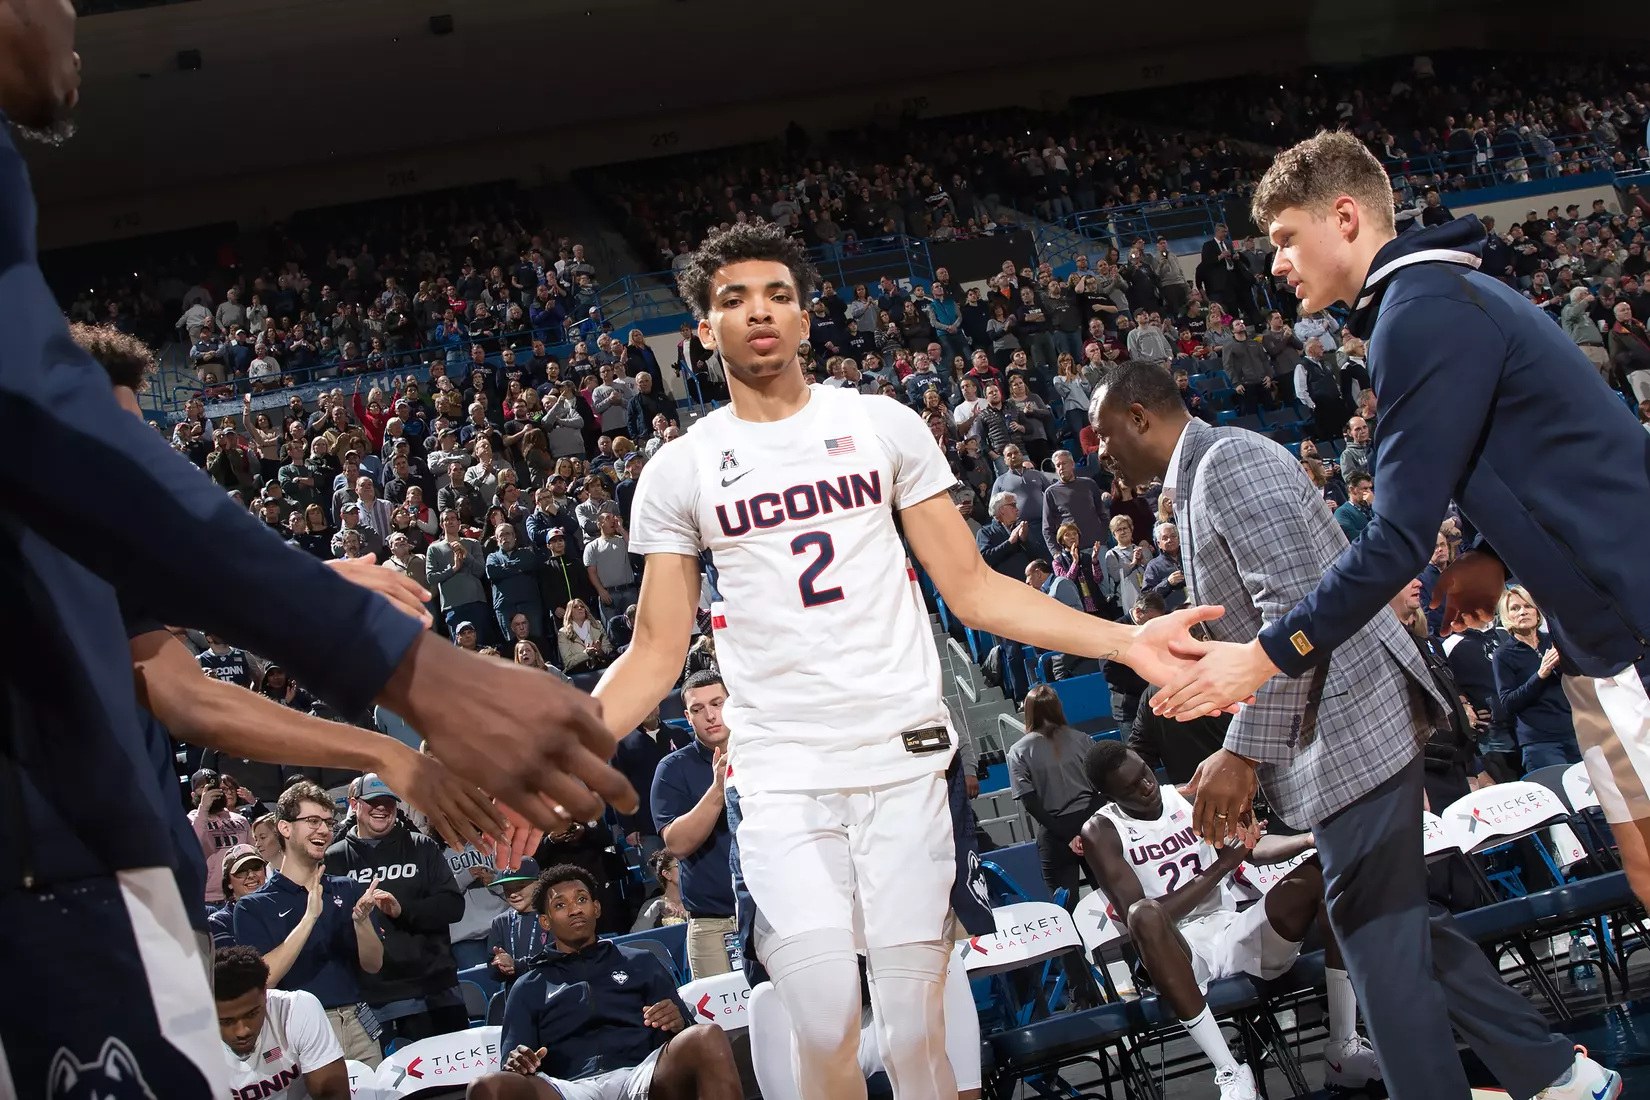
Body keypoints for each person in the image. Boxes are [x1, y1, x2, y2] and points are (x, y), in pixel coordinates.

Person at [595, 223, 1219, 1100]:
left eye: (776, 294)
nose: (758, 313)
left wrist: (1124, 638)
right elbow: (657, 649)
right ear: (703, 331)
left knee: (918, 1025)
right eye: (732, 301)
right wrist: (557, 748)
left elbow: (971, 588)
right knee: (819, 1014)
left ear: (807, 317)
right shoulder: (680, 469)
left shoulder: (878, 423)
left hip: (904, 761)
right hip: (782, 772)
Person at [1159, 129, 1650, 969]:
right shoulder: (1433, 299)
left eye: (1284, 238)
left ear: (1343, 217)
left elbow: (1393, 543)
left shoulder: (1421, 313)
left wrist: (1265, 659)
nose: (1275, 263)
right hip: (1599, 629)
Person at [1087, 359, 1612, 1100]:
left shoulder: (1228, 463)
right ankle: (1558, 1072)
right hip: (1341, 728)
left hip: (1350, 724)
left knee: (1377, 945)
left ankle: (1540, 1074)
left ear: (1140, 416)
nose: (1099, 452)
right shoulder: (1208, 472)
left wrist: (1241, 752)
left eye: (1105, 434)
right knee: (1387, 929)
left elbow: (1300, 616)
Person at [1079, 742, 1376, 1099]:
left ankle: (1343, 1046)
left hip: (1229, 926)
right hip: (1179, 952)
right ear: (1107, 795)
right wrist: (1221, 865)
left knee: (1319, 872)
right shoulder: (1101, 832)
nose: (1146, 786)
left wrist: (1310, 840)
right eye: (1131, 787)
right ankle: (1231, 1072)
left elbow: (1252, 849)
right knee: (1145, 914)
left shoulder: (1188, 796)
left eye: (1144, 772)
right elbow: (1144, 917)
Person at [469, 865, 742, 1100]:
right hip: (568, 1089)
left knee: (707, 1037)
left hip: (642, 1074)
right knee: (485, 1086)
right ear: (545, 921)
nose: (574, 910)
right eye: (560, 905)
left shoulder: (640, 962)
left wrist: (679, 1023)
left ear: (596, 908)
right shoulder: (528, 985)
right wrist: (518, 1061)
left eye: (582, 900)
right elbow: (512, 1063)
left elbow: (685, 1030)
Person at [233, 782, 390, 1066]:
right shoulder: (253, 906)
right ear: (285, 828)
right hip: (301, 1028)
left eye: (328, 822)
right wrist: (310, 917)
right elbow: (264, 980)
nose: (324, 830)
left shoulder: (348, 889)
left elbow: (374, 964)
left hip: (359, 1021)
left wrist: (361, 922)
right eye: (313, 821)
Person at [324, 773, 468, 1047]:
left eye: (388, 802)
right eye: (372, 801)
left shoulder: (422, 846)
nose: (381, 808)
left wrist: (404, 911)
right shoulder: (335, 859)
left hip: (434, 992)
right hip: (371, 999)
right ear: (354, 804)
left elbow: (453, 906)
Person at [650, 672, 739, 979]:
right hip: (714, 925)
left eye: (717, 703)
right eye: (698, 709)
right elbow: (677, 843)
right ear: (687, 717)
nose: (710, 715)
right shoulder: (672, 770)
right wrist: (717, 790)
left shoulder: (766, 754)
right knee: (724, 1028)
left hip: (778, 913)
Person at [1006, 685, 1102, 910]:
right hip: (1094, 826)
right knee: (1113, 898)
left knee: (1065, 910)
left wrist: (1069, 835)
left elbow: (1030, 803)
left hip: (1055, 834)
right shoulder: (1083, 740)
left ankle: (1074, 947)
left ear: (1028, 711)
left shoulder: (1017, 752)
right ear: (1058, 707)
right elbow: (1101, 789)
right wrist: (1082, 831)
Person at [215, 946, 348, 1100]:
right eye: (226, 1021)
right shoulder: (189, 1042)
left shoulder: (297, 1009)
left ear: (265, 994)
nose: (242, 1031)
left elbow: (333, 1094)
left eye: (251, 1014)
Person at [1493, 586, 1582, 773]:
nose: (1523, 612)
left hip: (1577, 732)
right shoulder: (1503, 655)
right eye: (1515, 608)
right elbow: (1508, 703)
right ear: (1507, 616)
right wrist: (1540, 676)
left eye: (1528, 606)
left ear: (1537, 611)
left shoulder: (1555, 641)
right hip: (1540, 742)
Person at [486, 859, 551, 985]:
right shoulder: (500, 923)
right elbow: (492, 972)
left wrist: (516, 965)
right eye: (507, 888)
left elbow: (555, 958)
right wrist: (500, 965)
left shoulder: (551, 916)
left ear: (538, 883)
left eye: (520, 887)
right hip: (517, 999)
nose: (513, 894)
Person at [209, 844, 268, 948]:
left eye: (256, 867)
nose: (251, 875)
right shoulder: (219, 922)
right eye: (241, 871)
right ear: (229, 883)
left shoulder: (279, 910)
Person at [632, 849, 689, 932]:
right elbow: (636, 935)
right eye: (680, 865)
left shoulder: (697, 899)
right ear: (667, 874)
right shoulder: (651, 905)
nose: (687, 869)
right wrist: (656, 906)